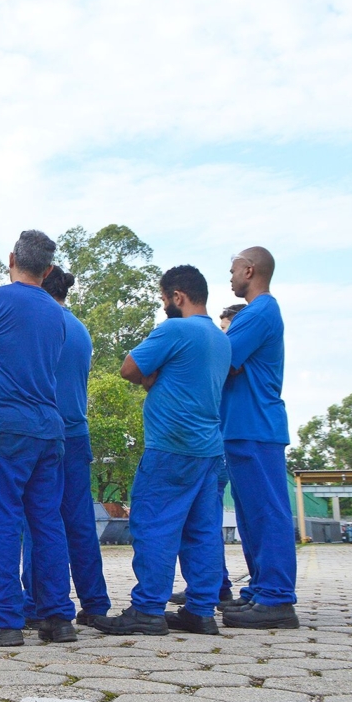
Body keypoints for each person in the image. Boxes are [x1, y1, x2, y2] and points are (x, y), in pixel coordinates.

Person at [93, 265, 231, 637]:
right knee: (202, 531)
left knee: (153, 525)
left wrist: (148, 379)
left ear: (178, 296)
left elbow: (128, 368)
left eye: (163, 298)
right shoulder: (221, 339)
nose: (163, 305)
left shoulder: (176, 328)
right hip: (210, 450)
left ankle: (148, 609)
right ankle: (201, 611)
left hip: (172, 446)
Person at [0, 230, 72, 645]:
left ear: (11, 259)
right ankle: (57, 617)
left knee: (2, 519)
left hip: (6, 425)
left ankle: (4, 616)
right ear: (49, 269)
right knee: (47, 521)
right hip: (49, 428)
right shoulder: (58, 314)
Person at [20, 266, 111, 628]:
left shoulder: (41, 325)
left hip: (45, 432)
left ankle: (36, 604)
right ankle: (95, 602)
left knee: (39, 519)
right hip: (77, 432)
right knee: (80, 523)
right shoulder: (80, 329)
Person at [219, 247, 299, 629]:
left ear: (249, 271)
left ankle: (278, 598)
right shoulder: (255, 313)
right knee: (251, 516)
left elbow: (225, 361)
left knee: (268, 513)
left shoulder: (259, 311)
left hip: (257, 425)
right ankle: (260, 589)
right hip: (241, 426)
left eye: (233, 270)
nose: (230, 277)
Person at [170, 302, 246, 609]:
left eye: (227, 329)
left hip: (211, 444)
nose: (225, 336)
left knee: (203, 523)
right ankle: (216, 586)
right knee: (204, 522)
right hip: (216, 442)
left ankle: (211, 588)